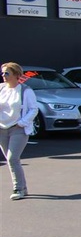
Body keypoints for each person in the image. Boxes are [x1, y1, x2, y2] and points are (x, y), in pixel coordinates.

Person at [0, 62, 37, 200]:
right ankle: (23, 187)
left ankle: (19, 188)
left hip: (18, 129)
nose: (3, 76)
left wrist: (22, 122)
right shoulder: (1, 89)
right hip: (2, 128)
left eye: (7, 73)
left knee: (12, 158)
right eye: (2, 73)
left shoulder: (26, 91)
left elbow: (34, 109)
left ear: (16, 75)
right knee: (11, 160)